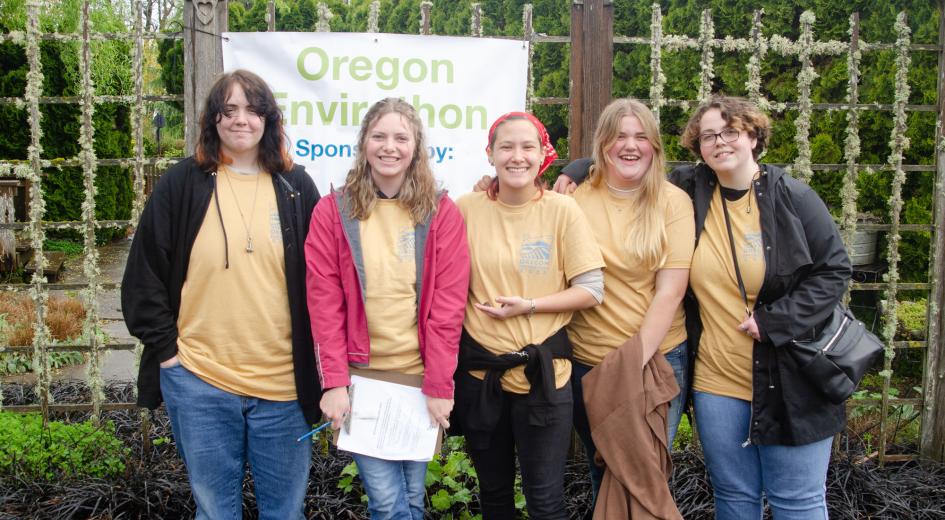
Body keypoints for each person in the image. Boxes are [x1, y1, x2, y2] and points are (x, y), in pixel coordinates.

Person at [121, 69, 321, 520]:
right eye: (228, 110)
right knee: (214, 512)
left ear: (269, 120)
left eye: (252, 109)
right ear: (213, 120)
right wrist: (169, 353)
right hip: (199, 380)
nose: (241, 120)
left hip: (284, 388)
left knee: (285, 513)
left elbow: (325, 281)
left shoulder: (296, 187)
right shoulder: (183, 183)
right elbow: (143, 276)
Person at [305, 97, 470, 520]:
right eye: (379, 136)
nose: (389, 146)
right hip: (364, 379)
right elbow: (325, 303)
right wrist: (335, 383)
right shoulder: (333, 211)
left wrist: (439, 386)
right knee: (386, 500)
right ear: (363, 144)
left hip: (417, 379)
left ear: (416, 146)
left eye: (401, 137)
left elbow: (448, 308)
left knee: (413, 499)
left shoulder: (439, 212)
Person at [452, 112, 605, 520]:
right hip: (482, 379)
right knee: (495, 497)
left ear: (542, 156)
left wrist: (531, 306)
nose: (516, 157)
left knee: (545, 502)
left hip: (545, 379)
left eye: (527, 147)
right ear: (490, 154)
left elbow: (591, 290)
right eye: (506, 147)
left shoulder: (563, 211)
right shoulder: (465, 208)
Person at [561, 98, 694, 503]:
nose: (630, 146)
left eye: (641, 136)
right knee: (603, 471)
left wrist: (631, 364)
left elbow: (671, 291)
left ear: (654, 145)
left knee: (643, 478)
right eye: (619, 136)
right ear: (602, 144)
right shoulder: (573, 198)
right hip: (587, 362)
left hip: (654, 361)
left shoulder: (672, 202)